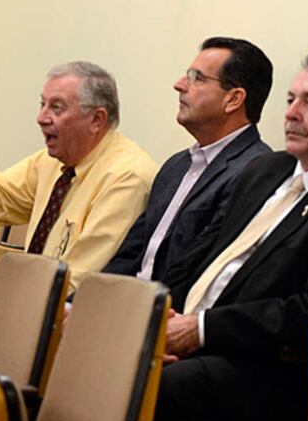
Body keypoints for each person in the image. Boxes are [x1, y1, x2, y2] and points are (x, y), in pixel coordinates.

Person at [154, 46, 308, 421]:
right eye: (291, 99)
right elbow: (197, 259)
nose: (292, 113)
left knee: (172, 384)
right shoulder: (266, 169)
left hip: (265, 369)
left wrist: (201, 329)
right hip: (194, 341)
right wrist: (158, 322)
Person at [0, 61, 158, 290]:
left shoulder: (127, 176)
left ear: (97, 120)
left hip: (77, 321)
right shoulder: (51, 161)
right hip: (35, 304)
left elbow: (79, 278)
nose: (41, 118)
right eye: (42, 104)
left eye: (56, 108)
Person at [101, 37, 272, 284]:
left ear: (233, 99)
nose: (179, 85)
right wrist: (81, 302)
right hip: (129, 305)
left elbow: (201, 273)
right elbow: (130, 254)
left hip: (171, 314)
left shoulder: (253, 172)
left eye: (197, 78)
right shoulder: (176, 166)